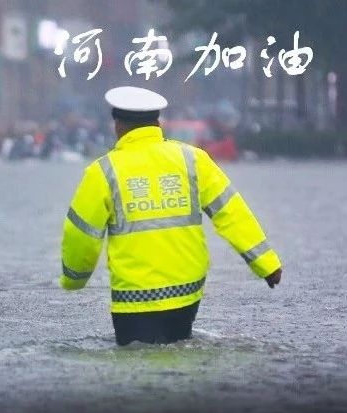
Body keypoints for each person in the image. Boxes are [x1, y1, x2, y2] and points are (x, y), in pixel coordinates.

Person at [60, 86, 283, 346]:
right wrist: (267, 264)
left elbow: (81, 235)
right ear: (158, 123)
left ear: (118, 126)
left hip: (135, 297)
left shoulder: (102, 171)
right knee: (180, 353)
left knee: (136, 362)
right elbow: (232, 212)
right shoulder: (193, 159)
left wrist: (74, 279)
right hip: (187, 291)